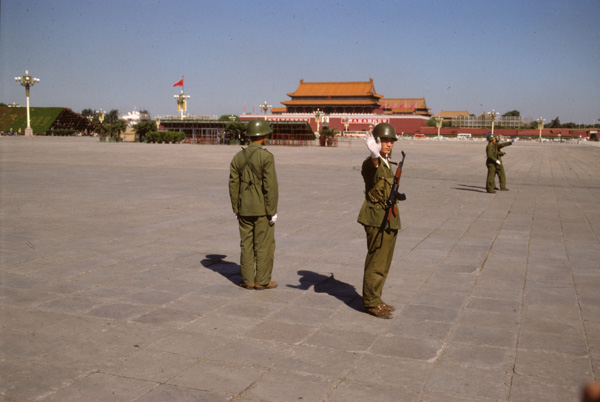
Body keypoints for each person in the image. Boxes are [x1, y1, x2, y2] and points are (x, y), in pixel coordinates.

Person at [357, 123, 402, 319]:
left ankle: (377, 297)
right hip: (376, 217)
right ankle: (371, 303)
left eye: (391, 141)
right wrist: (375, 155)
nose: (388, 144)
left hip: (389, 216)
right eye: (384, 140)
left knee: (384, 262)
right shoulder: (371, 162)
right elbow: (372, 169)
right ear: (376, 142)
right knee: (376, 261)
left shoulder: (386, 162)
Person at [228, 119, 279, 290]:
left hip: (243, 208)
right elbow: (270, 186)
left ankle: (248, 279)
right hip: (262, 209)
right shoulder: (266, 156)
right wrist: (272, 210)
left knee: (246, 243)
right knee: (264, 244)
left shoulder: (237, 157)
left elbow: (233, 184)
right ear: (262, 136)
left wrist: (236, 207)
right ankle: (262, 280)